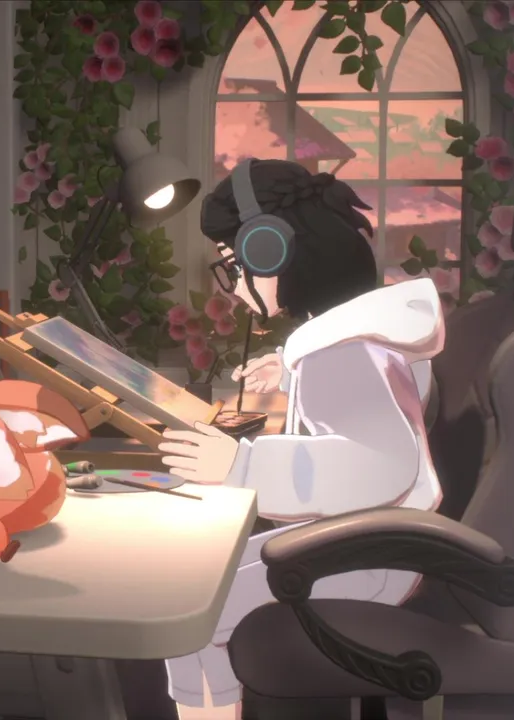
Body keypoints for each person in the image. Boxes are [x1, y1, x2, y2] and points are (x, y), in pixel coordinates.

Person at [158, 158, 445, 715]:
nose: (233, 285)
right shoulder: (357, 339)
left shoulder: (341, 353)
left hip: (366, 556)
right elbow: (384, 396)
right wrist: (291, 371)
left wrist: (239, 467)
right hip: (367, 542)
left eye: (235, 265)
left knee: (191, 614)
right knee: (194, 588)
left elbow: (380, 463)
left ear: (272, 252)